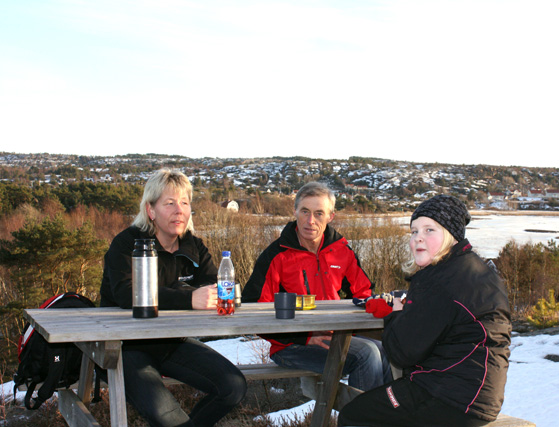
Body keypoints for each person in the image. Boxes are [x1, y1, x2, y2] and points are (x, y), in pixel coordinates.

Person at [338, 195, 511, 427]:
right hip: (477, 395)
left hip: (450, 398)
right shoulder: (473, 269)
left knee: (355, 416)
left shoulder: (442, 281)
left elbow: (401, 353)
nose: (418, 238)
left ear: (451, 235)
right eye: (413, 231)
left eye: (429, 230)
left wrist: (396, 313)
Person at [100, 168, 247, 426]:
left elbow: (215, 285)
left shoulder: (193, 246)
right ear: (151, 210)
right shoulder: (128, 244)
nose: (179, 210)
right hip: (126, 347)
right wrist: (188, 299)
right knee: (169, 418)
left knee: (233, 387)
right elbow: (125, 293)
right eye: (169, 203)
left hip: (172, 342)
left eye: (184, 203)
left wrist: (193, 295)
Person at [242, 182, 392, 391]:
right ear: (295, 211)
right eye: (305, 212)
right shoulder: (276, 255)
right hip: (291, 345)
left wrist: (377, 309)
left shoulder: (341, 251)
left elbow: (364, 293)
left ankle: (384, 416)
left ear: (331, 216)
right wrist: (304, 337)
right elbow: (253, 308)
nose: (310, 221)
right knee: (366, 355)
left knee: (386, 351)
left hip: (337, 336)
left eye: (319, 213)